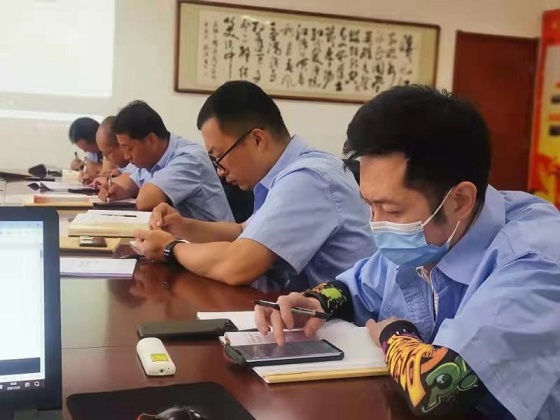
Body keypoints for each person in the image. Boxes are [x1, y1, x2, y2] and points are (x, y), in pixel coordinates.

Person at [254, 85, 560, 419]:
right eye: (370, 205)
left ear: (460, 200)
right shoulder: (427, 239)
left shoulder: (536, 259)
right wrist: (313, 303)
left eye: (392, 210)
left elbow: (439, 390)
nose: (376, 224)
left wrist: (394, 334)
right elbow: (354, 288)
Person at [133, 80, 374, 291]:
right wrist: (181, 226)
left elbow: (238, 266)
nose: (219, 170)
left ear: (258, 139)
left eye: (219, 156)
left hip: (341, 320)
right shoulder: (286, 172)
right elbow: (242, 232)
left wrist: (170, 248)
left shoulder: (308, 178)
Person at [97, 100, 233, 222]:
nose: (126, 156)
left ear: (151, 140)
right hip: (185, 237)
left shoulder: (189, 158)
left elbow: (146, 201)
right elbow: (128, 183)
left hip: (216, 240)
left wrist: (133, 189)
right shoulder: (150, 159)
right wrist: (117, 191)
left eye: (129, 148)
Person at [90, 116, 135, 188]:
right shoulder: (123, 167)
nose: (107, 159)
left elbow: (128, 181)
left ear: (121, 144)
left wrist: (106, 181)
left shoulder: (137, 161)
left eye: (107, 154)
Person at [68, 117, 107, 181]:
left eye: (87, 148)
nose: (85, 151)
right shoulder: (93, 153)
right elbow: (90, 169)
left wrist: (96, 167)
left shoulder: (111, 147)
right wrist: (83, 169)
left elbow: (114, 172)